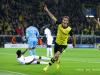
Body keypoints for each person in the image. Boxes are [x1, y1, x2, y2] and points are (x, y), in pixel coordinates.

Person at [43, 5, 76, 72]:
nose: (64, 21)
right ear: (62, 20)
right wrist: (47, 10)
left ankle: (47, 67)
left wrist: (73, 43)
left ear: (67, 22)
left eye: (66, 20)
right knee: (56, 56)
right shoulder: (59, 24)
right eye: (63, 20)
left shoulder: (69, 29)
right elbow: (52, 17)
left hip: (63, 45)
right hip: (57, 43)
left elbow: (73, 37)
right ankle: (57, 62)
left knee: (55, 56)